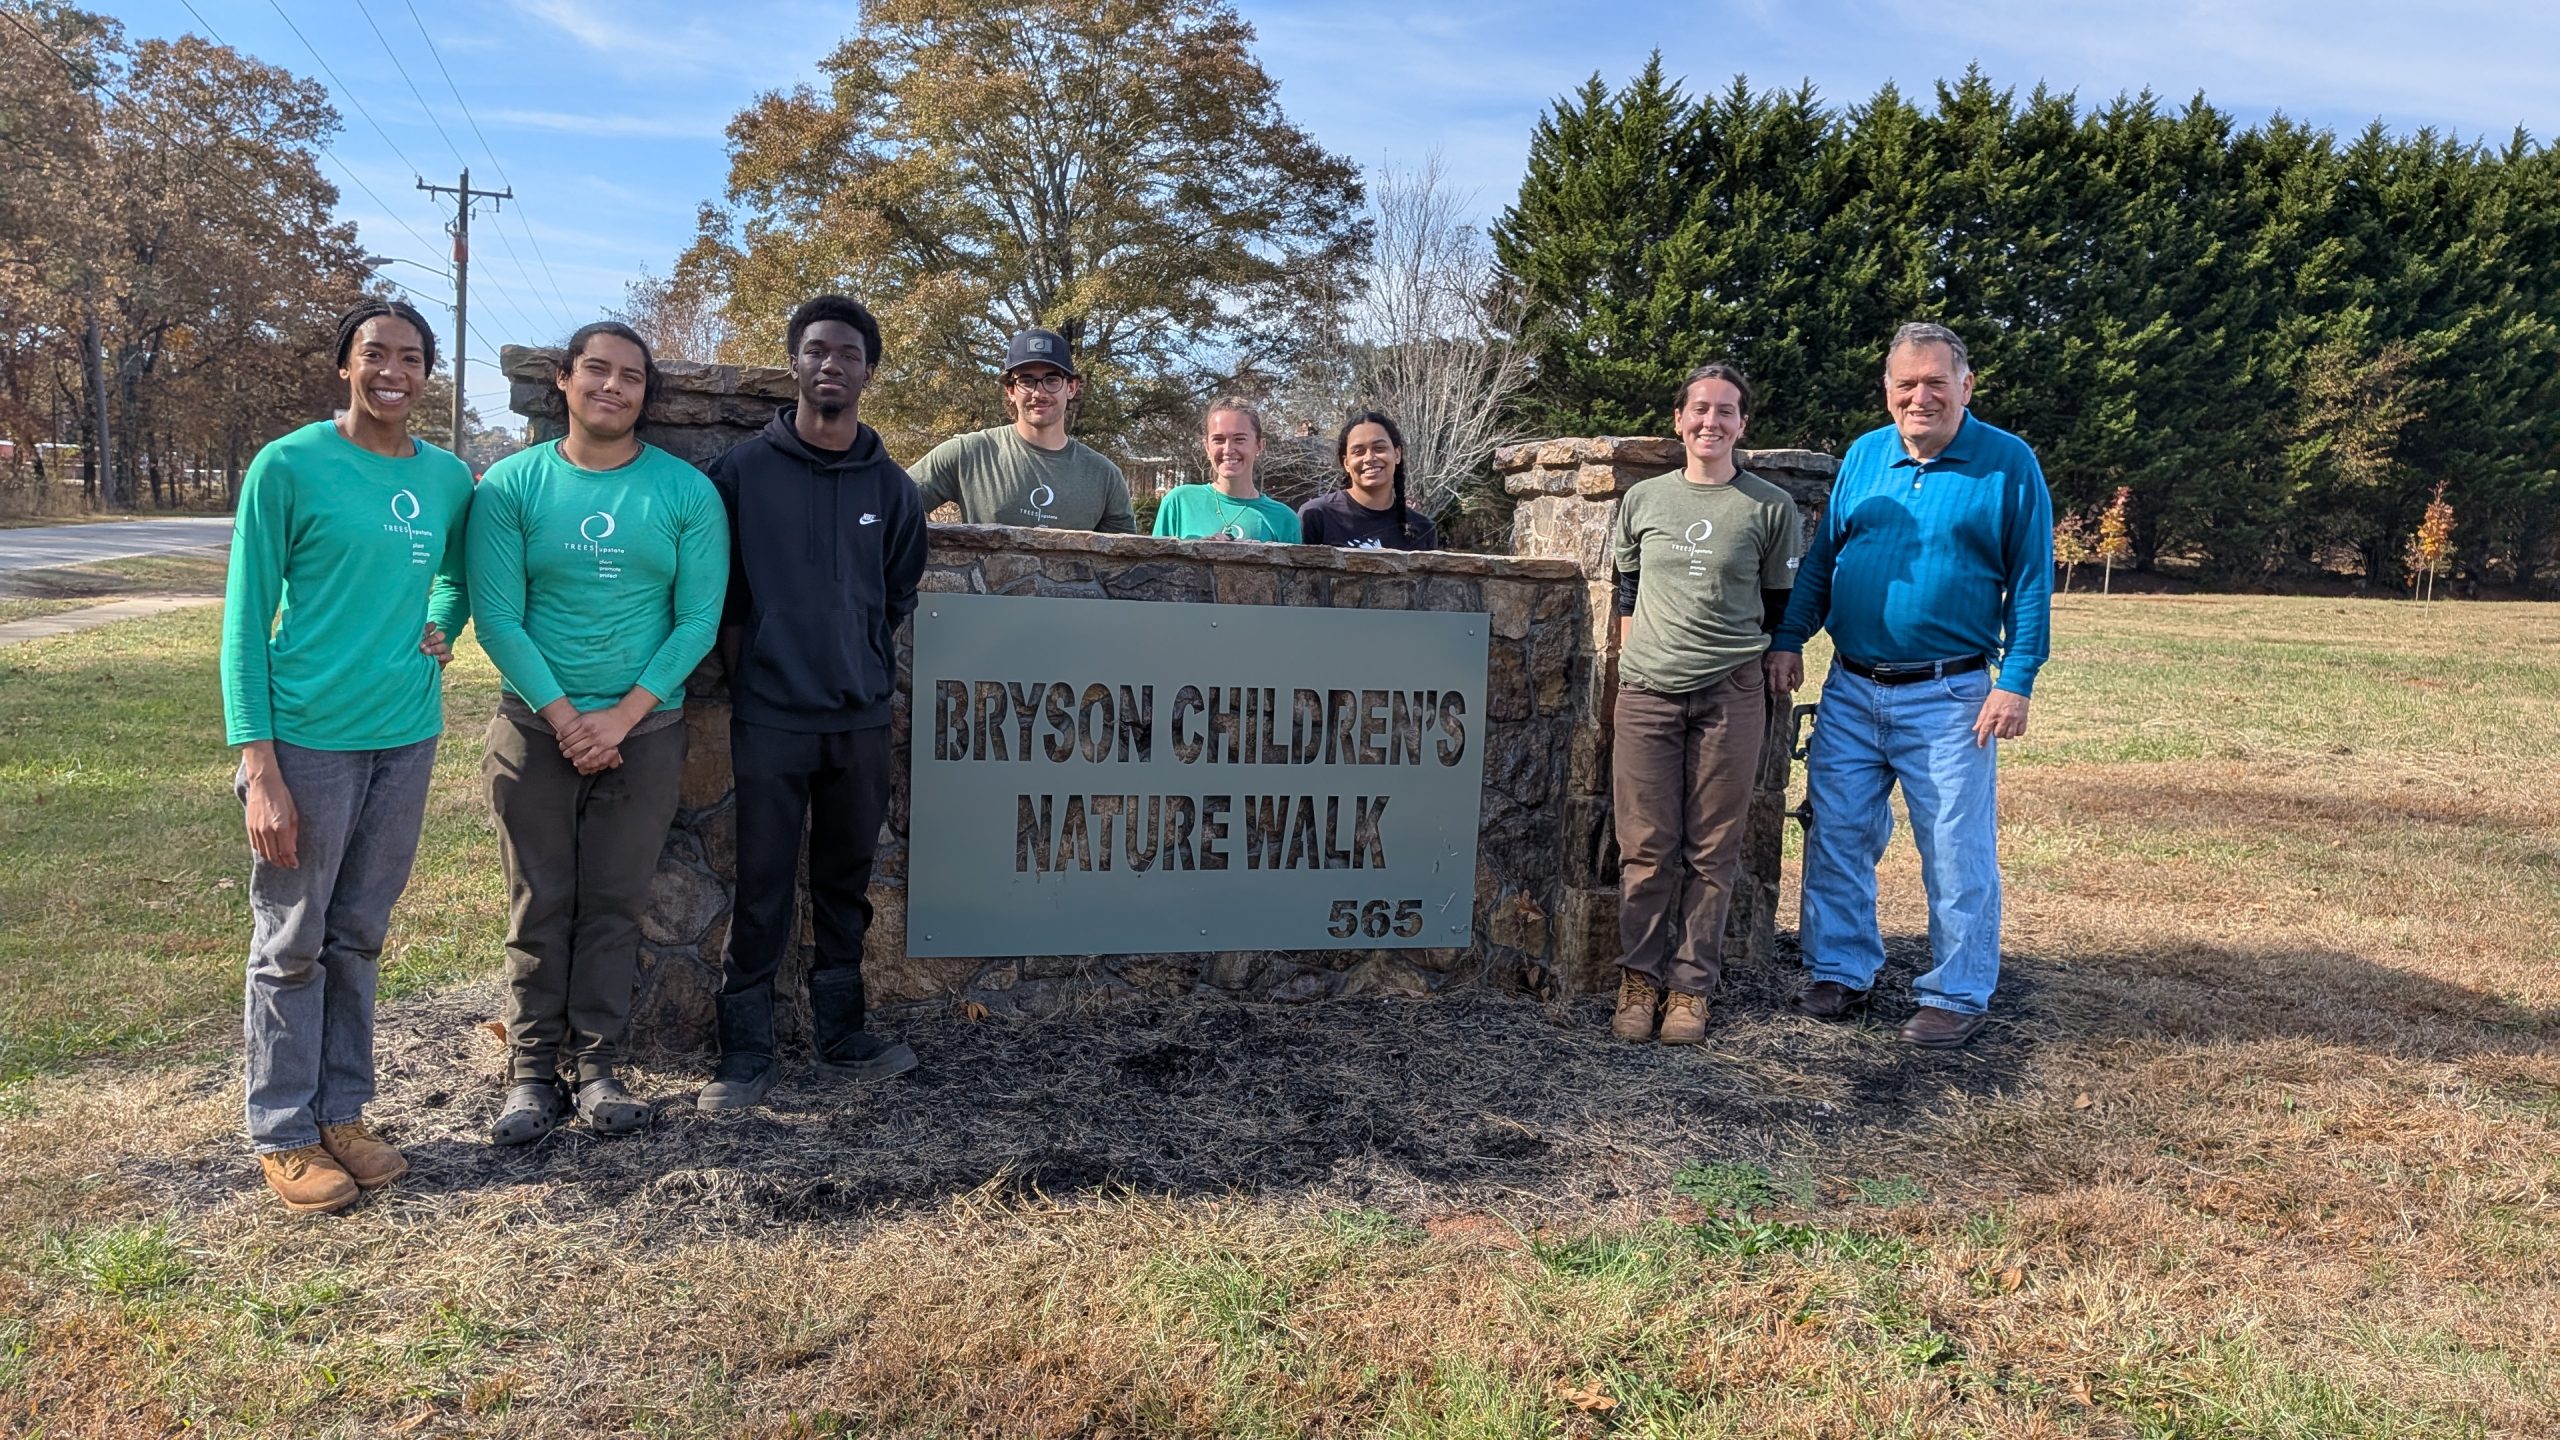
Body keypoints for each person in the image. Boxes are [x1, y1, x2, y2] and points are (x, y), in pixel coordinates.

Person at [220, 298, 472, 1214]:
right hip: (309, 737)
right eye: (376, 354)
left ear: (427, 372)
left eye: (410, 357)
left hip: (406, 734)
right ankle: (284, 1134)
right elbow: (245, 619)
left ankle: (342, 1114)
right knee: (292, 941)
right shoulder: (288, 466)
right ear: (346, 365)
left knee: (359, 933)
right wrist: (260, 766)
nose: (392, 371)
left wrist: (442, 625)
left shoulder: (447, 477)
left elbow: (456, 573)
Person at [466, 321, 728, 1145]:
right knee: (539, 902)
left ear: (647, 395)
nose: (613, 388)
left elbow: (699, 622)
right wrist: (566, 718)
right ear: (564, 380)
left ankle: (598, 1067)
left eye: (631, 378)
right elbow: (497, 618)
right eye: (598, 372)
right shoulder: (510, 487)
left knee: (614, 904)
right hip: (533, 726)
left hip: (643, 731)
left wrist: (620, 716)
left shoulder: (686, 493)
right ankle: (531, 1075)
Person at [1766, 322, 2054, 1048]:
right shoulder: (1865, 456)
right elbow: (1824, 561)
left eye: (1935, 382)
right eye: (1906, 384)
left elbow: (2030, 583)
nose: (1919, 396)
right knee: (1836, 834)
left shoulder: (2007, 464)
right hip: (1853, 689)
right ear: (1887, 391)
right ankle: (1839, 968)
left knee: (1955, 849)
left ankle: (1956, 993)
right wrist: (1791, 638)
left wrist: (2015, 680)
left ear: (1966, 385)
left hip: (1952, 695)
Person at [700, 295, 927, 1112]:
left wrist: (857, 658)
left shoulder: (892, 489)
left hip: (859, 716)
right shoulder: (739, 474)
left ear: (869, 371)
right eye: (817, 350)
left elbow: (896, 591)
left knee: (844, 880)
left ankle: (842, 1034)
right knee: (761, 884)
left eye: (848, 354)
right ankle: (746, 1052)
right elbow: (717, 592)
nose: (832, 364)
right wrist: (752, 666)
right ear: (795, 363)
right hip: (769, 715)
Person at [1606, 364, 1801, 1045]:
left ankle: (1690, 989)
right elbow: (1626, 590)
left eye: (1725, 411)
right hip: (1649, 694)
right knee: (1646, 846)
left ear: (1742, 424)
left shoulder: (1768, 507)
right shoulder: (1644, 500)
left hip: (1731, 692)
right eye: (1699, 409)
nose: (1711, 421)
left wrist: (1783, 653)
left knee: (1712, 850)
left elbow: (1780, 605)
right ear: (1678, 420)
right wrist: (1632, 666)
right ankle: (1639, 980)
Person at [909, 327, 1135, 532]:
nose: (1039, 393)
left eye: (1052, 380)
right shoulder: (967, 454)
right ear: (1010, 390)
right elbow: (889, 505)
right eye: (1027, 381)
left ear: (1071, 387)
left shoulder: (1105, 477)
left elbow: (1123, 567)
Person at [1152, 398, 1301, 542]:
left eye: (1239, 439)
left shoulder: (1284, 520)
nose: (1228, 449)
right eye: (1218, 439)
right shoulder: (1179, 503)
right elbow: (1154, 565)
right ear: (1207, 447)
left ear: (1259, 445)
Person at [1298, 411, 1440, 550]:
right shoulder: (1316, 515)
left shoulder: (1423, 528)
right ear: (1346, 463)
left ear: (1397, 454)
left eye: (1379, 448)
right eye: (1358, 451)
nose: (1370, 458)